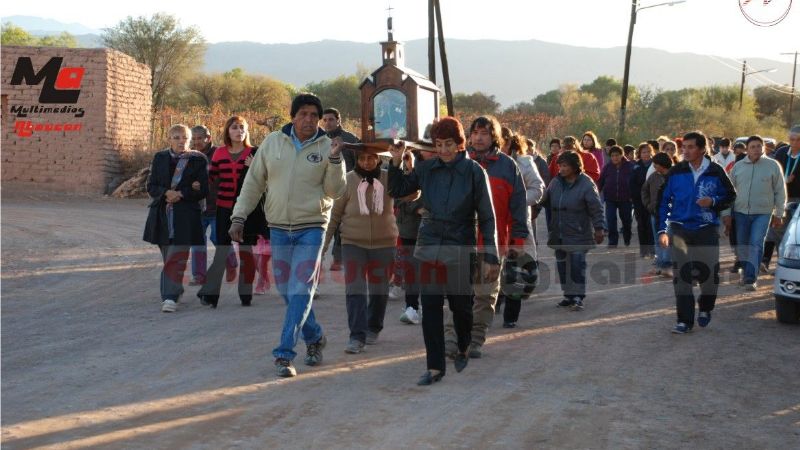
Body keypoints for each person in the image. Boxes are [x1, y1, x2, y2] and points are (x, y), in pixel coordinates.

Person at [229, 94, 347, 377]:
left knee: (301, 288)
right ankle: (315, 336)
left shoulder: (327, 146)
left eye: (313, 115)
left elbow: (336, 191)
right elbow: (254, 182)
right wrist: (239, 215)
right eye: (303, 114)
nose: (308, 120)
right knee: (286, 290)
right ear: (292, 116)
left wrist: (334, 159)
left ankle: (284, 353)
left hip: (312, 226)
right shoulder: (272, 142)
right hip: (279, 228)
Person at [388, 116, 499, 386]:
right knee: (431, 307)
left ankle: (462, 344)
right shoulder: (427, 169)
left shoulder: (474, 172)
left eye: (449, 144)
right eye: (439, 144)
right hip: (429, 246)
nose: (444, 150)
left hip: (460, 245)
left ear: (460, 144)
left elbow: (487, 216)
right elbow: (398, 189)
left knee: (462, 308)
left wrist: (491, 254)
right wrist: (395, 161)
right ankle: (434, 366)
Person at [444, 116, 529, 359]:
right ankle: (451, 339)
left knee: (484, 295)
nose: (479, 137)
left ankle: (475, 339)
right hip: (459, 241)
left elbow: (518, 205)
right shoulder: (458, 163)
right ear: (469, 136)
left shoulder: (508, 166)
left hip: (493, 242)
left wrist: (518, 240)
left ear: (494, 137)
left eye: (485, 133)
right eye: (476, 133)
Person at [658, 131, 736, 334]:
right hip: (680, 229)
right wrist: (661, 229)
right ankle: (684, 320)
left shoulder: (715, 171)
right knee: (682, 275)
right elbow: (664, 201)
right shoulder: (676, 172)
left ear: (702, 149)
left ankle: (706, 306)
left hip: (706, 229)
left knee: (708, 275)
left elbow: (730, 195)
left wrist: (713, 202)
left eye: (691, 147)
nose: (685, 150)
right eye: (684, 147)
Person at [323, 149, 398, 354]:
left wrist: (403, 163)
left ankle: (373, 327)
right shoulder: (347, 180)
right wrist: (322, 248)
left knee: (379, 291)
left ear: (378, 159)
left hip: (384, 244)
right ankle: (356, 336)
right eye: (362, 158)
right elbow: (334, 217)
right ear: (357, 159)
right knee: (355, 289)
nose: (366, 162)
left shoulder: (389, 178)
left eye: (371, 158)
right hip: (353, 243)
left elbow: (412, 193)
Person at [197, 116, 268, 308]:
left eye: (242, 127)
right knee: (221, 250)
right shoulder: (219, 153)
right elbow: (210, 179)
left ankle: (246, 294)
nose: (239, 131)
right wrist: (195, 189)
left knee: (246, 252)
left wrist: (254, 168)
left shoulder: (254, 153)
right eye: (235, 128)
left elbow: (265, 179)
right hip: (224, 208)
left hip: (248, 210)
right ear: (228, 131)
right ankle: (211, 294)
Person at [143, 124, 209, 313]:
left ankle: (169, 298)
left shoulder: (198, 160)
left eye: (185, 138)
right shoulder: (160, 158)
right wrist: (167, 193)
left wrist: (181, 194)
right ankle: (176, 288)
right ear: (169, 139)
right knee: (169, 257)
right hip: (162, 216)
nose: (182, 141)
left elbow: (203, 189)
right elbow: (151, 186)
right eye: (177, 137)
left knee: (177, 256)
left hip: (186, 216)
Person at [540, 151, 605, 310]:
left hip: (578, 232)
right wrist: (534, 207)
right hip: (559, 233)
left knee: (576, 265)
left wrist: (599, 228)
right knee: (562, 265)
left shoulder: (586, 184)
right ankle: (568, 296)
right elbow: (545, 200)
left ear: (575, 167)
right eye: (559, 166)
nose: (561, 169)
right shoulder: (555, 183)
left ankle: (577, 297)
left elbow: (596, 208)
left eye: (564, 166)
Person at [721, 135, 785, 291]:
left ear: (763, 148)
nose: (756, 149)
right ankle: (745, 273)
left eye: (759, 146)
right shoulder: (738, 167)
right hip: (740, 213)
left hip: (763, 213)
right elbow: (729, 192)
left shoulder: (773, 166)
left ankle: (751, 278)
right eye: (753, 147)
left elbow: (780, 191)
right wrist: (726, 213)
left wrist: (779, 213)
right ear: (747, 149)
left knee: (756, 243)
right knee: (742, 245)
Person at [497, 133, 544, 328]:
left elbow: (538, 189)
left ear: (510, 142)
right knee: (491, 267)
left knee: (516, 270)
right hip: (493, 223)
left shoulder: (524, 163)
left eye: (502, 141)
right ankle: (493, 303)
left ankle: (510, 316)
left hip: (516, 223)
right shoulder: (484, 161)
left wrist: (517, 202)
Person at [189, 126, 237, 285]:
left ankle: (231, 264)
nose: (195, 142)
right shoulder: (189, 156)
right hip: (196, 207)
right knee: (197, 243)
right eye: (193, 139)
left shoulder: (220, 154)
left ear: (208, 138)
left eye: (199, 138)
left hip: (217, 205)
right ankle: (199, 276)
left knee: (218, 238)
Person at [320, 108, 360, 272]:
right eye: (325, 120)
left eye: (331, 119)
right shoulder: (320, 140)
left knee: (341, 225)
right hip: (325, 188)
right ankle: (319, 257)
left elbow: (359, 163)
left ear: (338, 120)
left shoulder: (350, 139)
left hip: (347, 188)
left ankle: (338, 258)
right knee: (326, 224)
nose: (328, 123)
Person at [393, 150, 429, 325]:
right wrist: (415, 207)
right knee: (411, 270)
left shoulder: (431, 169)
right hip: (408, 229)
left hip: (429, 229)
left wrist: (414, 202)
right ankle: (412, 307)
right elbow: (397, 199)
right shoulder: (404, 173)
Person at [764, 125, 800, 270]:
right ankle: (781, 263)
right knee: (778, 231)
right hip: (782, 198)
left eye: (798, 140)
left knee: (795, 234)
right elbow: (773, 175)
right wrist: (785, 181)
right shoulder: (781, 152)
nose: (795, 142)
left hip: (799, 200)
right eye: (792, 139)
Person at [641, 152, 673, 277]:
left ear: (662, 165)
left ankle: (667, 266)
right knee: (657, 240)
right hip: (655, 213)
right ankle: (659, 265)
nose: (654, 166)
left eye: (655, 164)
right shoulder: (653, 176)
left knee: (668, 241)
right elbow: (644, 190)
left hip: (669, 215)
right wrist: (649, 205)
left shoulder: (674, 177)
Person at [598, 145, 634, 247]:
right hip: (610, 198)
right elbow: (601, 182)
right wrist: (597, 192)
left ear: (621, 155)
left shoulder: (630, 166)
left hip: (626, 198)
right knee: (610, 220)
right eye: (613, 156)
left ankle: (627, 237)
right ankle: (613, 241)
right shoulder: (607, 167)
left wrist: (633, 195)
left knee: (626, 220)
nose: (615, 158)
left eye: (617, 155)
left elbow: (634, 182)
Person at [630, 142, 654, 257]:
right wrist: (635, 196)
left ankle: (652, 250)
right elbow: (632, 184)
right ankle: (643, 250)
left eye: (648, 151)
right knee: (641, 225)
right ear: (639, 153)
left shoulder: (655, 165)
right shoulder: (635, 167)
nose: (646, 154)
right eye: (644, 152)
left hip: (652, 200)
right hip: (639, 200)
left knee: (651, 224)